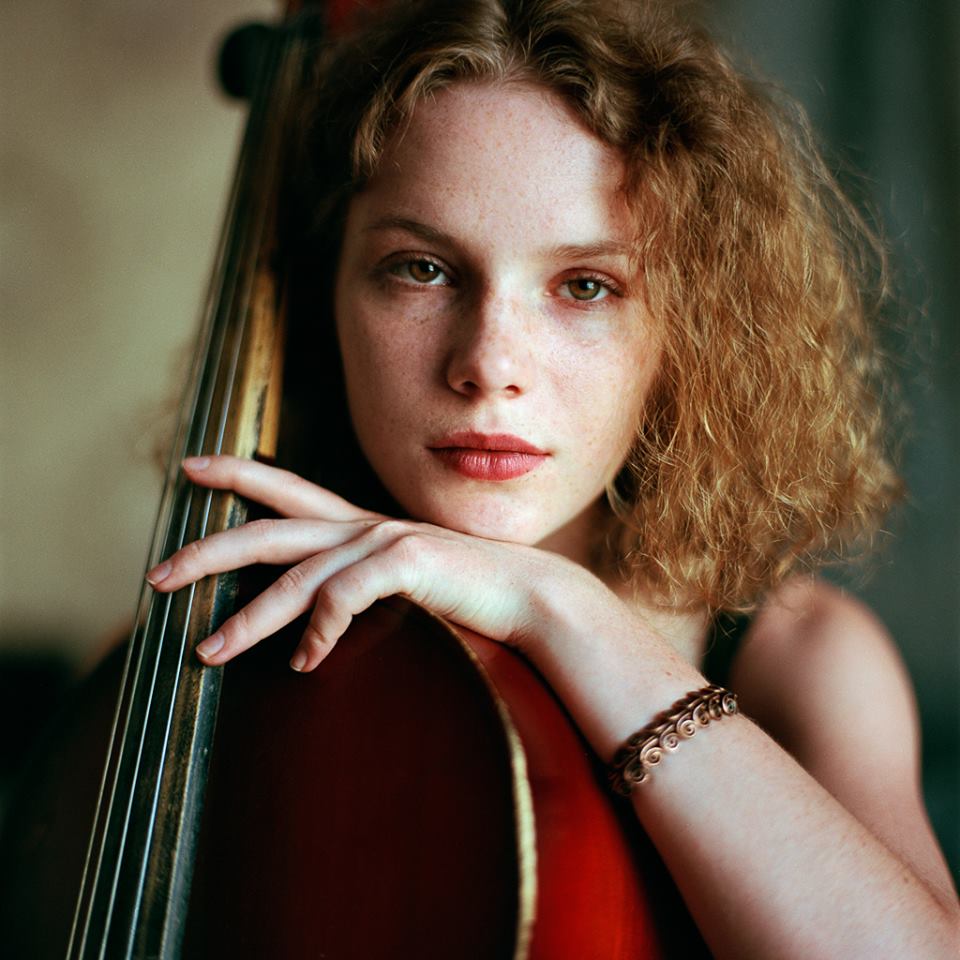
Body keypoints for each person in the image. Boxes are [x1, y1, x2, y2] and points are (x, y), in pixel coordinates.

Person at [145, 0, 958, 955]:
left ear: (686, 330)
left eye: (585, 286)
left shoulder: (804, 655)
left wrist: (555, 605)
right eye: (421, 269)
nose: (488, 364)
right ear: (324, 296)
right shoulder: (203, 645)